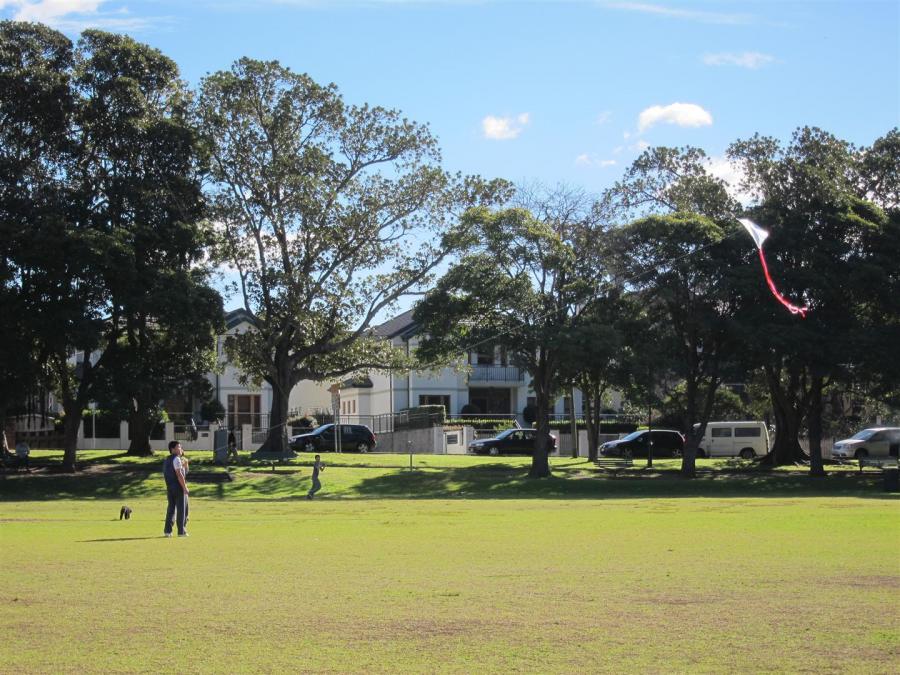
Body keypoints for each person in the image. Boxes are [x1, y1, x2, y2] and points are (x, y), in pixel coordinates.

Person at [163, 441, 190, 537]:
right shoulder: (177, 459)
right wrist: (185, 487)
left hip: (170, 487)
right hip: (178, 487)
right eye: (178, 447)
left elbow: (179, 472)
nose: (181, 448)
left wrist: (185, 465)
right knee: (182, 509)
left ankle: (168, 531)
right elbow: (179, 475)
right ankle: (181, 531)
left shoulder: (167, 459)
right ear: (172, 449)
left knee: (171, 509)